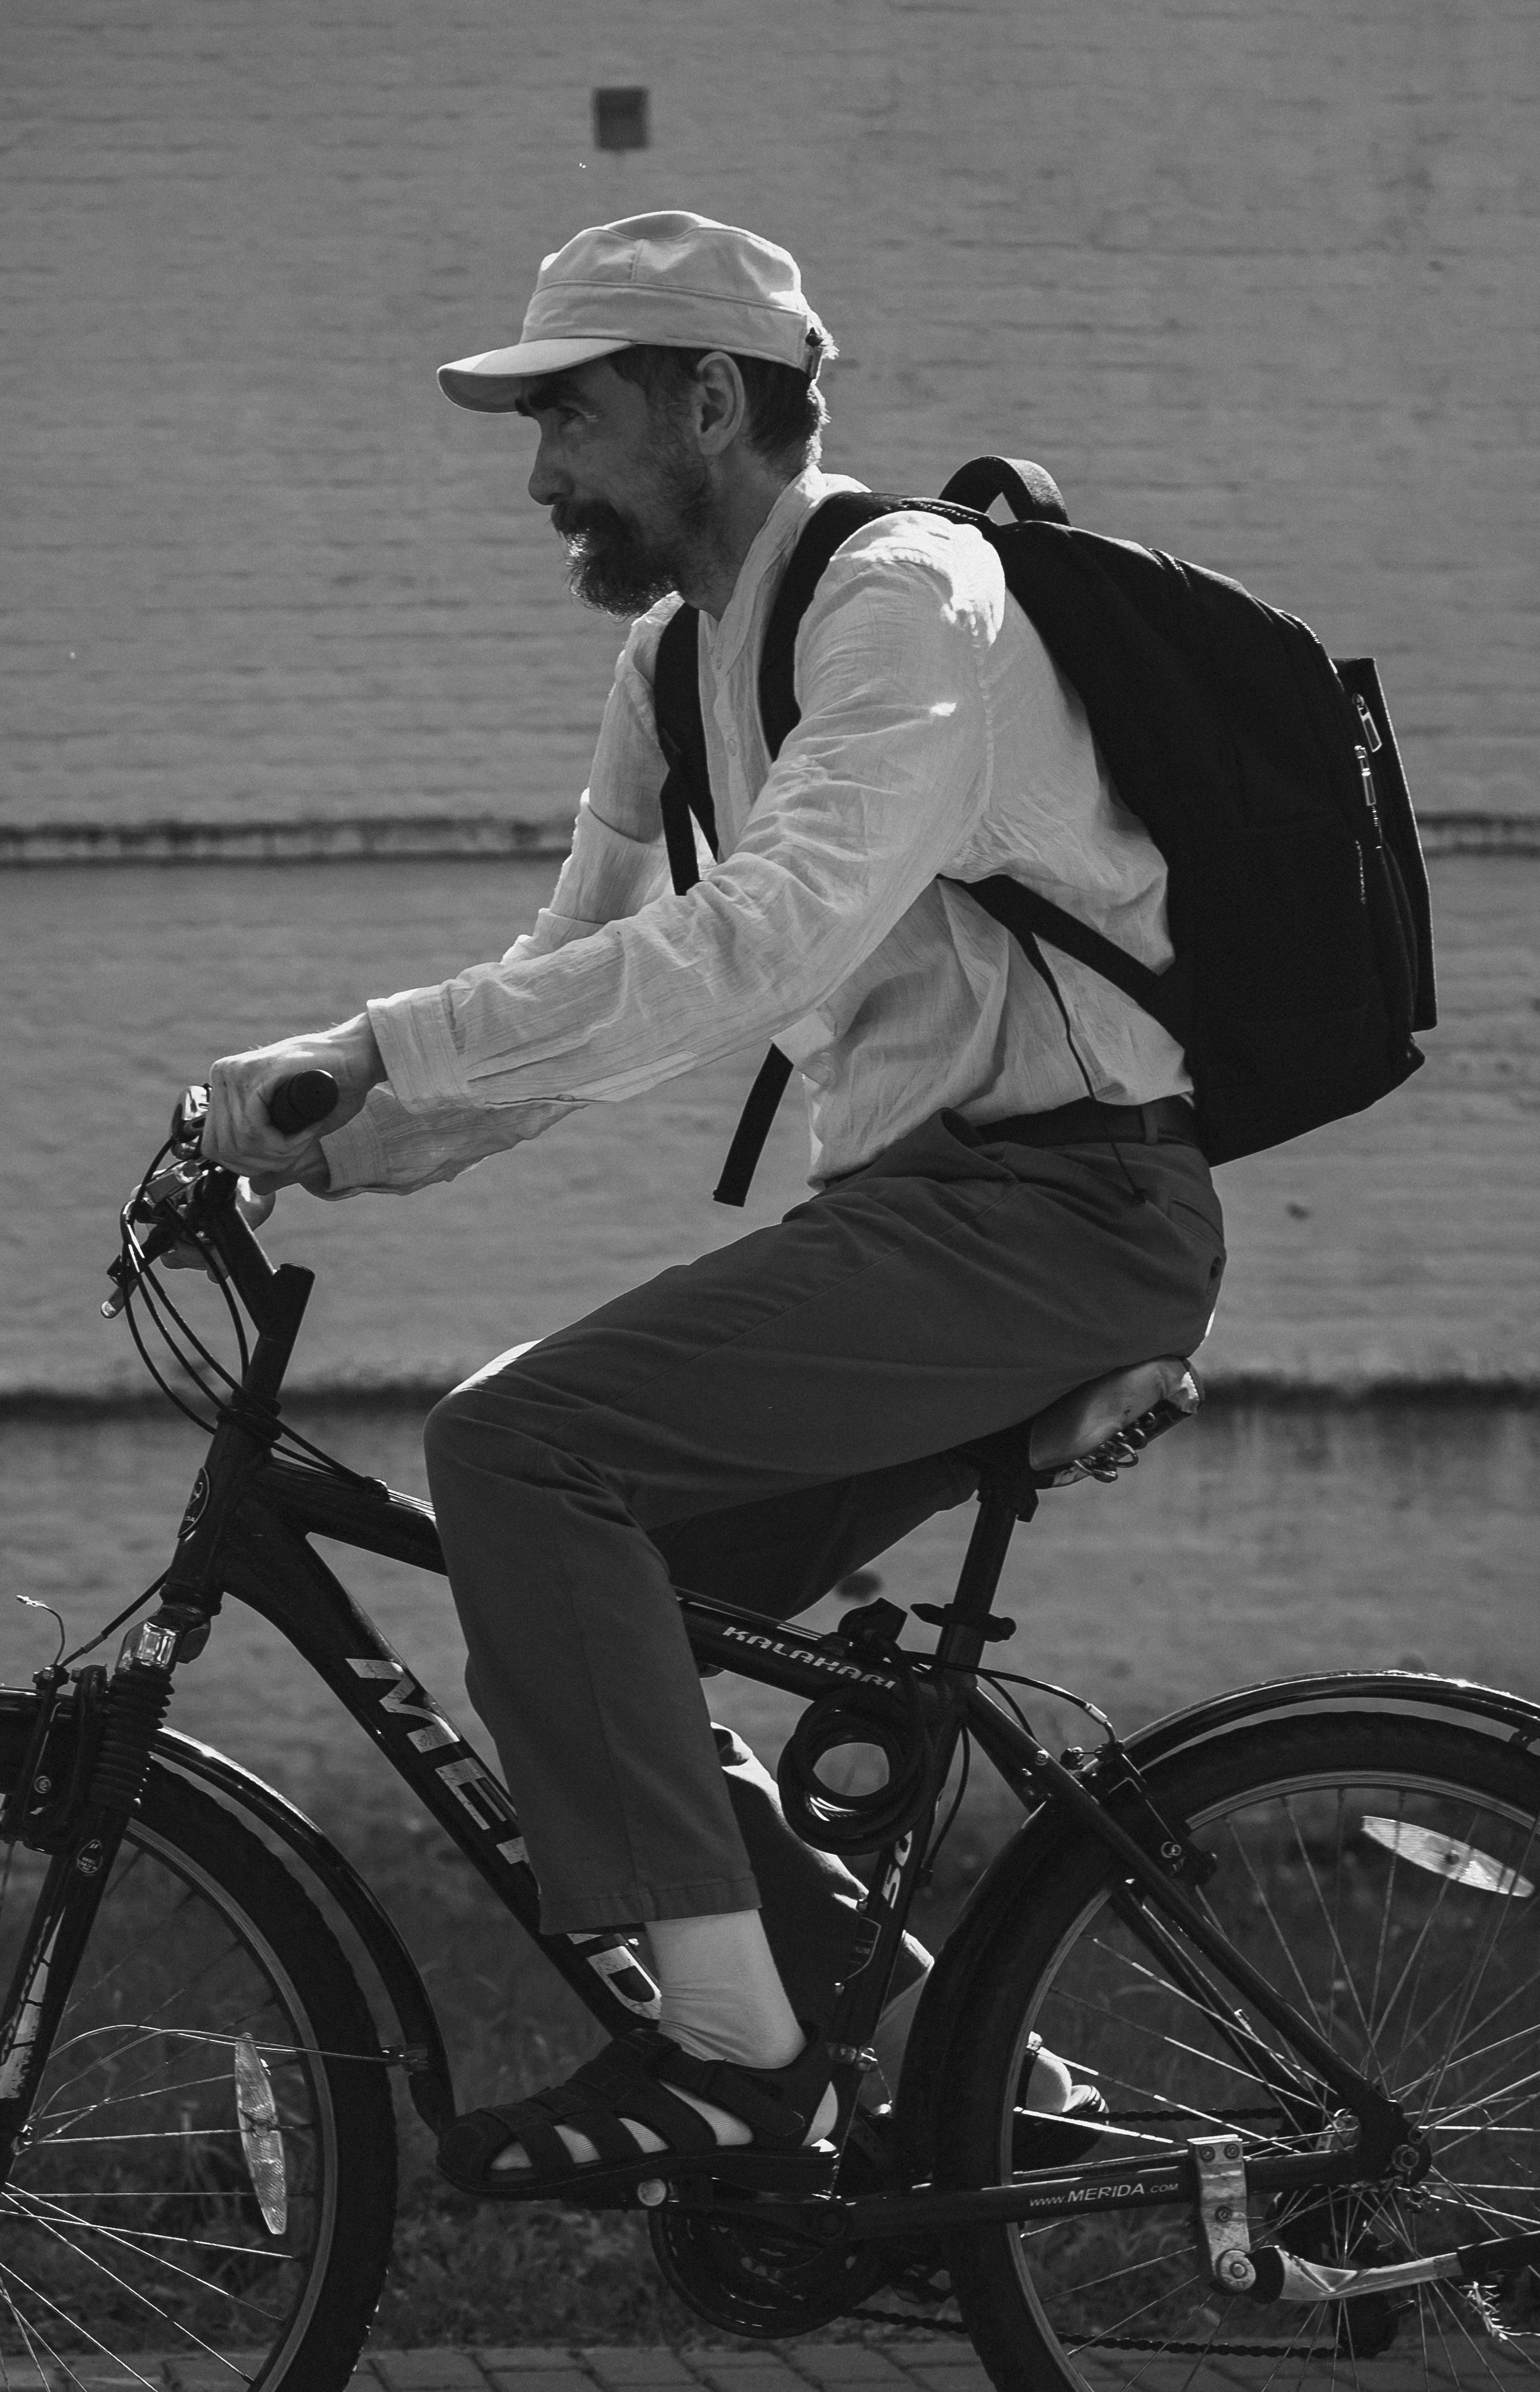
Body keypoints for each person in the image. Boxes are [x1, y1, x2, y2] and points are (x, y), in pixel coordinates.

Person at [199, 210, 1223, 2201]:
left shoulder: (907, 597)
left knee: (519, 1454)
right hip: (937, 1222)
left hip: (1063, 1210)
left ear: (712, 399)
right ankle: (963, 2092)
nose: (540, 474)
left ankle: (744, 2066)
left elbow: (763, 939)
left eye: (567, 415)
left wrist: (377, 1042)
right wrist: (341, 1130)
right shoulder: (675, 664)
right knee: (583, 1611)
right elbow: (589, 968)